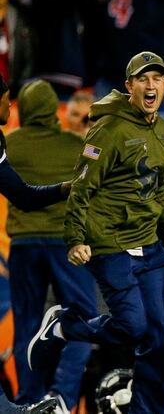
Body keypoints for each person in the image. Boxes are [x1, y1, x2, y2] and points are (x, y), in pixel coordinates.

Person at [27, 51, 164, 414]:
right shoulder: (108, 128)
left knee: (161, 337)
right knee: (133, 327)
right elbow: (82, 187)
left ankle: (147, 411)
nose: (151, 85)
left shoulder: (162, 128)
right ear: (129, 86)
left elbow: (158, 190)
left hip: (149, 244)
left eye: (157, 78)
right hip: (110, 242)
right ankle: (65, 326)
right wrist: (75, 238)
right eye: (143, 79)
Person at [5, 80, 96, 414]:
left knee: (27, 326)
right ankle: (62, 397)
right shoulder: (78, 145)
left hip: (24, 246)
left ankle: (30, 400)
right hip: (66, 245)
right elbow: (98, 169)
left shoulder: (10, 143)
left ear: (25, 109)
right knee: (86, 319)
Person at [0, 76, 64, 414]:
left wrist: (61, 189)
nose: (9, 108)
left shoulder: (3, 142)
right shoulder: (71, 143)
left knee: (24, 325)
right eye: (5, 99)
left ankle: (16, 405)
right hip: (56, 247)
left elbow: (21, 194)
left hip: (27, 245)